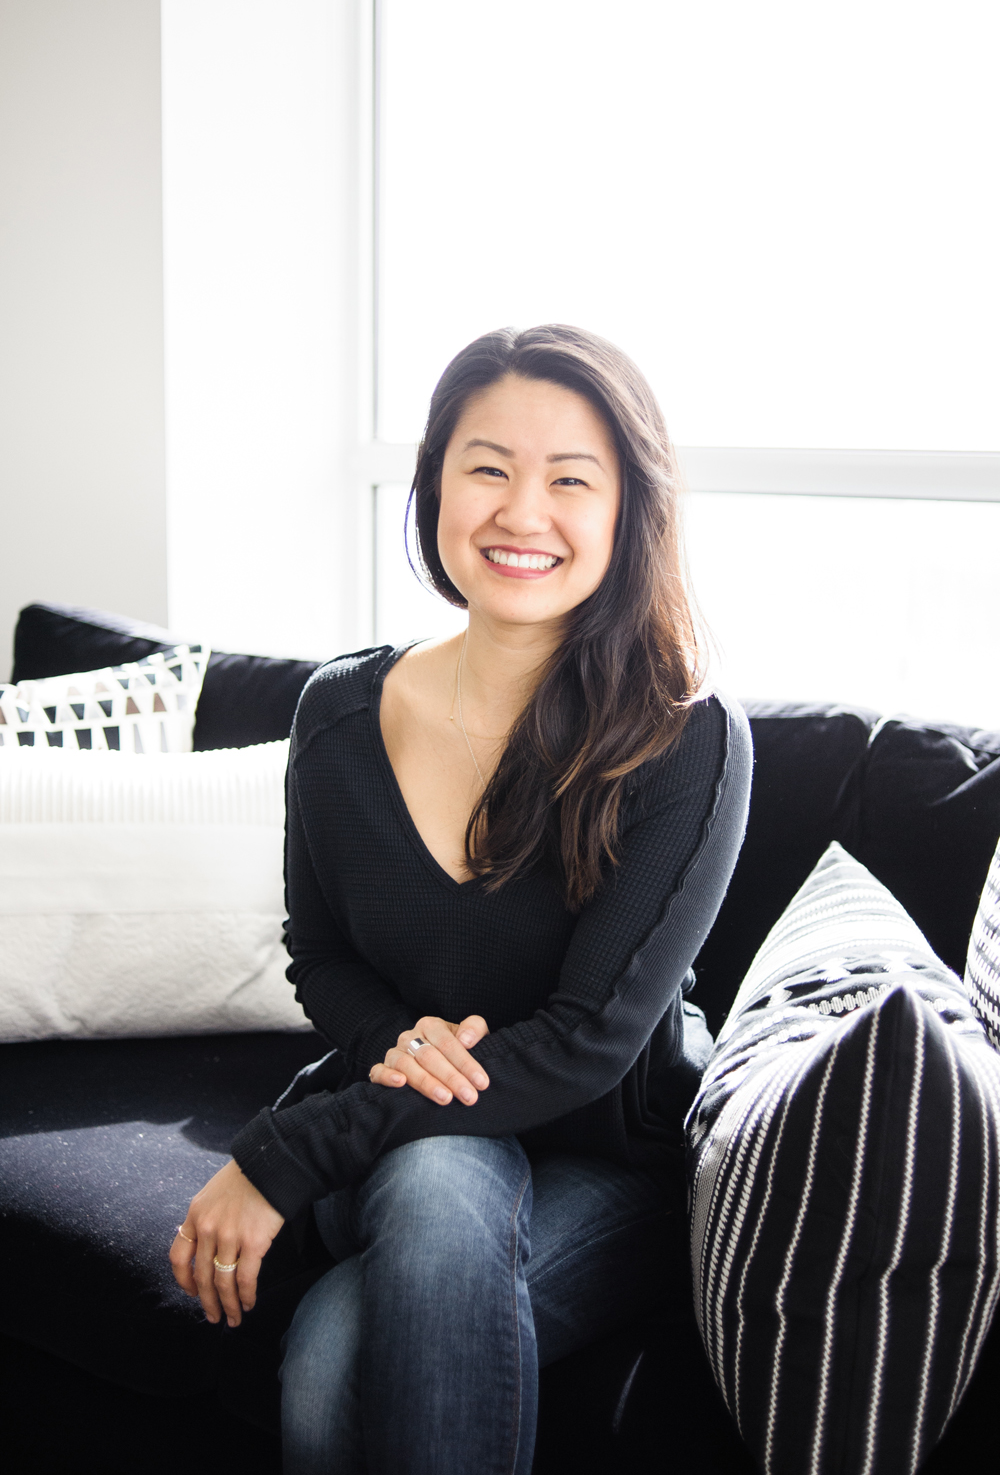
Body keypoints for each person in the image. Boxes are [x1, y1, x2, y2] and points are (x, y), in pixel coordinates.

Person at [170, 324, 752, 1473]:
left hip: (605, 1161)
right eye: (486, 466)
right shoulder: (336, 716)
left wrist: (287, 1151)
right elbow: (320, 954)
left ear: (630, 509)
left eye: (570, 479)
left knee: (336, 1372)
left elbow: (590, 1045)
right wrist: (404, 1047)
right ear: (434, 482)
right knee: (435, 1177)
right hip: (408, 1137)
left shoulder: (684, 741)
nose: (520, 512)